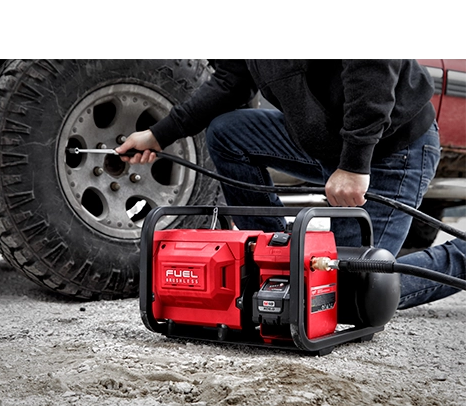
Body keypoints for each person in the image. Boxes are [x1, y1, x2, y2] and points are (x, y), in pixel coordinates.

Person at [116, 57, 465, 309]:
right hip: (324, 143)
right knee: (227, 133)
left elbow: (373, 63)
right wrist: (159, 135)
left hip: (390, 149)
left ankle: (461, 259)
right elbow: (230, 82)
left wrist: (354, 162)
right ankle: (276, 258)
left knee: (342, 296)